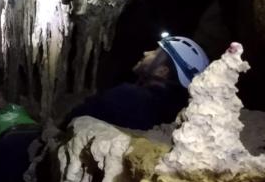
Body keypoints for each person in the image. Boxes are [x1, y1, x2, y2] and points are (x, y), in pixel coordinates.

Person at [64, 34, 209, 130]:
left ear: (162, 71)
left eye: (155, 53)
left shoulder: (128, 96)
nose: (146, 53)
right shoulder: (174, 114)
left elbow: (72, 121)